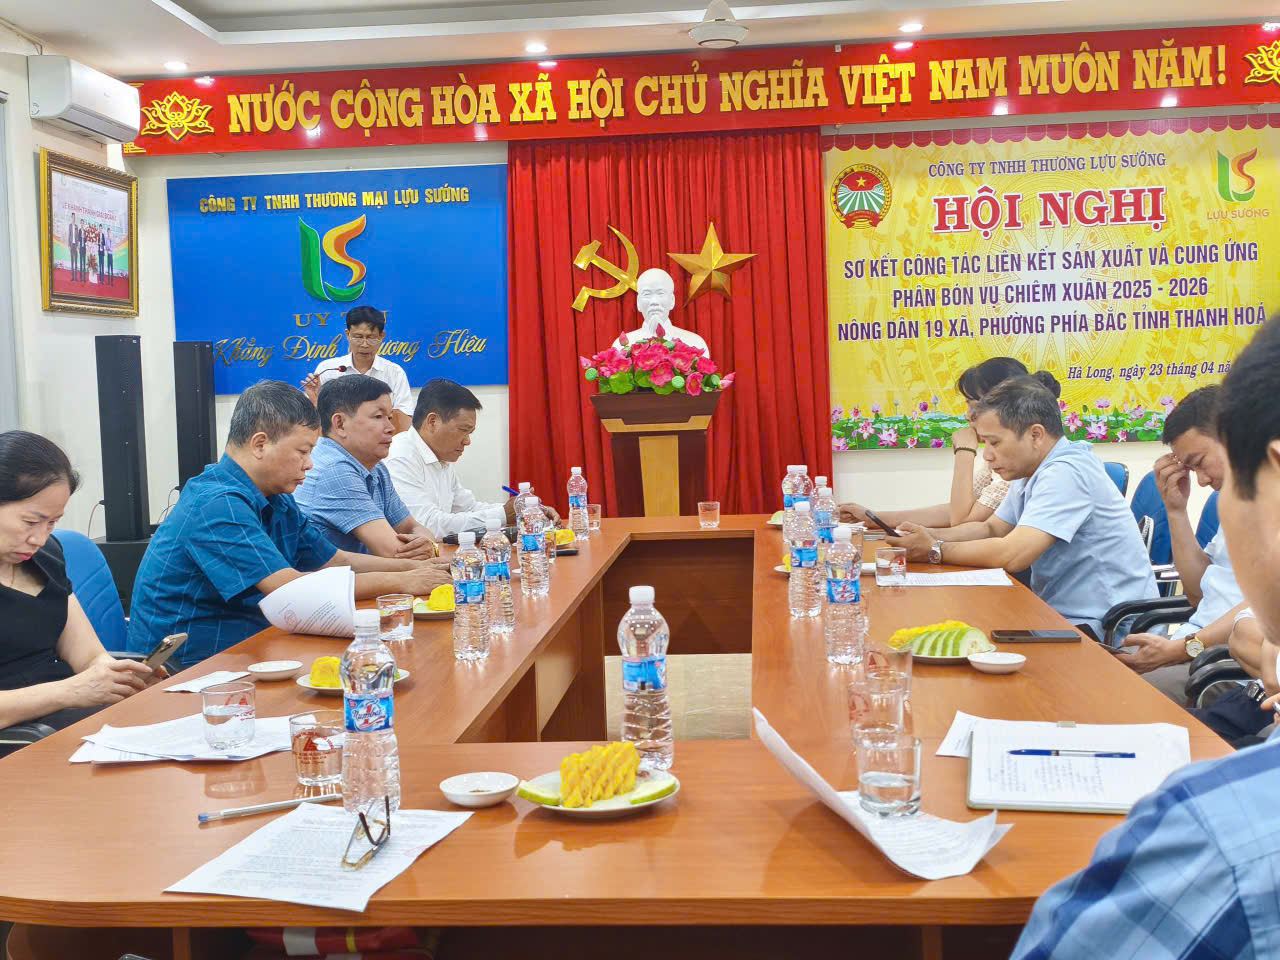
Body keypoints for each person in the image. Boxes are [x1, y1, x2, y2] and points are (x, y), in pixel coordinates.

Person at [1009, 317, 1280, 960]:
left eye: (1207, 465)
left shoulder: (1216, 834)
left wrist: (1198, 646)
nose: (1206, 482)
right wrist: (1178, 513)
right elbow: (1202, 591)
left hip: (1203, 655)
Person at [126, 381, 449, 668]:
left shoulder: (276, 495)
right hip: (190, 669)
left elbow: (334, 560)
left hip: (256, 645)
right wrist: (404, 581)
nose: (310, 464)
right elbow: (290, 589)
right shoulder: (216, 503)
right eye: (303, 451)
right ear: (260, 444)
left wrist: (415, 568)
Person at [889, 376, 1156, 638]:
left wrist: (935, 550)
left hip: (1108, 627)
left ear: (1035, 435)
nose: (987, 455)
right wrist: (928, 535)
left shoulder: (1067, 472)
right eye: (984, 443)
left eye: (994, 442)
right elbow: (992, 528)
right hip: (1063, 614)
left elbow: (1013, 554)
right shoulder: (1031, 469)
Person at [0, 431, 157, 733]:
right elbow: (73, 688)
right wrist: (69, 691)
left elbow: (88, 655)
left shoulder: (47, 555)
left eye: (52, 523)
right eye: (30, 522)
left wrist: (118, 676)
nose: (39, 538)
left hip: (69, 719)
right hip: (21, 738)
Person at [1113, 387, 1245, 674]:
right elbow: (1198, 596)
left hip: (1226, 666)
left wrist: (1181, 649)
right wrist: (1175, 511)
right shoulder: (1240, 502)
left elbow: (1262, 612)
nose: (1202, 481)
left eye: (1200, 463)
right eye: (1192, 470)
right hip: (1194, 647)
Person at [840, 358, 1060, 528]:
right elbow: (958, 511)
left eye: (972, 405)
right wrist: (874, 518)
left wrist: (964, 451)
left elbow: (962, 522)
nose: (967, 415)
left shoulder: (1020, 464)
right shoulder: (1003, 457)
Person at [385, 378, 559, 538]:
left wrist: (523, 509)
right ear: (432, 421)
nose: (467, 441)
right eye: (463, 430)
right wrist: (504, 514)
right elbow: (426, 526)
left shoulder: (440, 455)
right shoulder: (399, 457)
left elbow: (468, 507)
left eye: (470, 433)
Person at [292, 375, 437, 558]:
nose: (391, 427)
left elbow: (411, 527)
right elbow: (394, 553)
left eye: (390, 417)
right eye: (378, 417)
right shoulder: (334, 469)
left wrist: (430, 545)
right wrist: (427, 548)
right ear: (340, 424)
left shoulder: (375, 467)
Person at [301, 306, 413, 433]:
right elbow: (314, 423)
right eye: (358, 337)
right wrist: (316, 402)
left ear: (382, 336)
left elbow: (404, 420)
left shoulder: (395, 373)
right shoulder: (328, 369)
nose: (364, 344)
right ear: (347, 335)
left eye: (371, 337)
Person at [612, 268, 709, 357]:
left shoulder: (694, 343)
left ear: (672, 300)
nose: (654, 301)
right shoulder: (621, 347)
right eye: (647, 294)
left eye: (660, 293)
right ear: (638, 302)